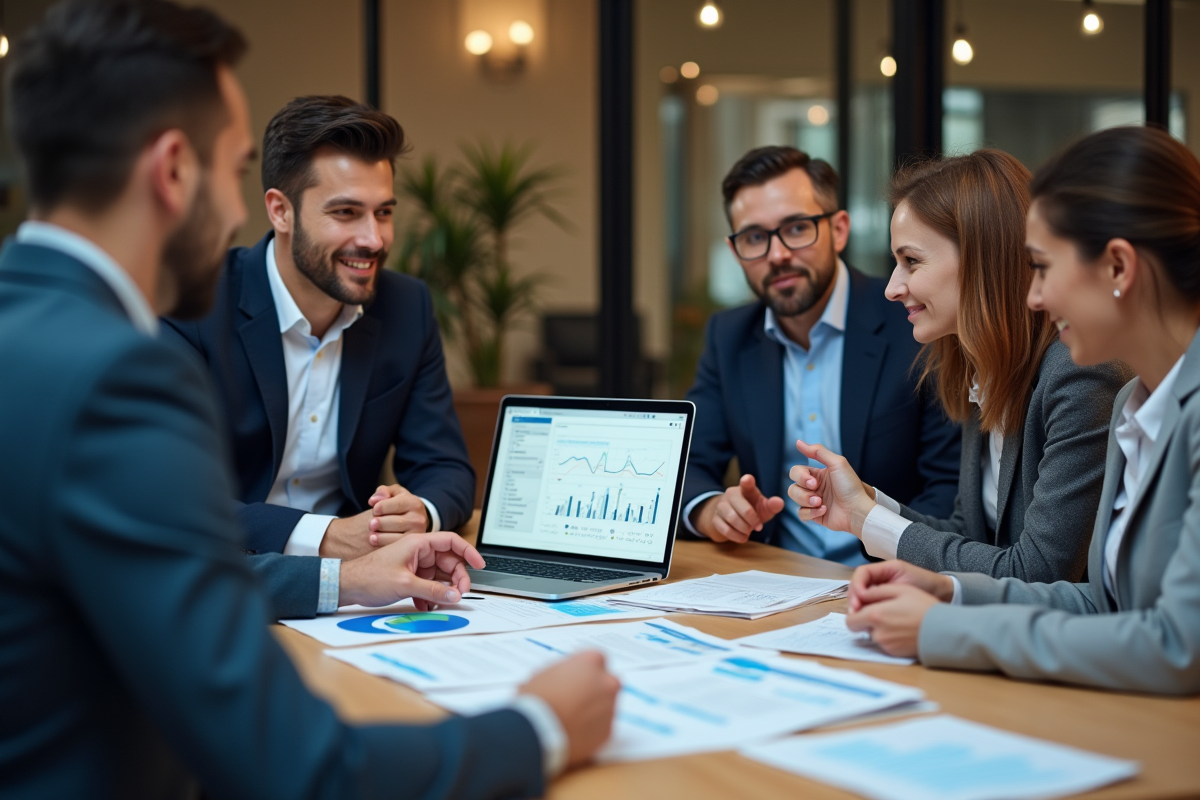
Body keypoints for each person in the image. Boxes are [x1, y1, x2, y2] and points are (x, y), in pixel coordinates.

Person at [0, 3, 618, 798]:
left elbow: (156, 584)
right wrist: (540, 728)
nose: (233, 212)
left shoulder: (30, 330)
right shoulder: (117, 373)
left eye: (384, 212)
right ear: (173, 171)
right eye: (231, 169)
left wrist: (354, 575)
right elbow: (300, 767)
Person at [842, 126, 1200, 695]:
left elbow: (1176, 646)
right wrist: (952, 590)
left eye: (1043, 268)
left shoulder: (1099, 384)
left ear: (1118, 268)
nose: (1033, 295)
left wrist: (944, 627)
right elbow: (1103, 602)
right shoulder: (1135, 405)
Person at [163, 95, 474, 618]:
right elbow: (175, 498)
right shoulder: (191, 304)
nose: (373, 239)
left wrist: (417, 512)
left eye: (384, 213)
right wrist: (328, 537)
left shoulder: (407, 306)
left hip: (365, 596)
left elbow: (445, 465)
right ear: (280, 210)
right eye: (346, 212)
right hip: (230, 588)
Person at [787, 150, 1130, 582]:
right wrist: (867, 506)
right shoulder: (981, 365)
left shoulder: (1079, 373)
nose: (892, 287)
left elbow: (1036, 572)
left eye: (911, 261)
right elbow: (970, 536)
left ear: (981, 259)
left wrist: (868, 521)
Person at [682, 146, 961, 566]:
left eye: (796, 228)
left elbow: (948, 488)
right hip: (773, 576)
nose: (777, 254)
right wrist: (710, 509)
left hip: (889, 573)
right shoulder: (730, 337)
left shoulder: (917, 324)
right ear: (736, 250)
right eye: (754, 238)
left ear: (839, 229)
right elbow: (688, 461)